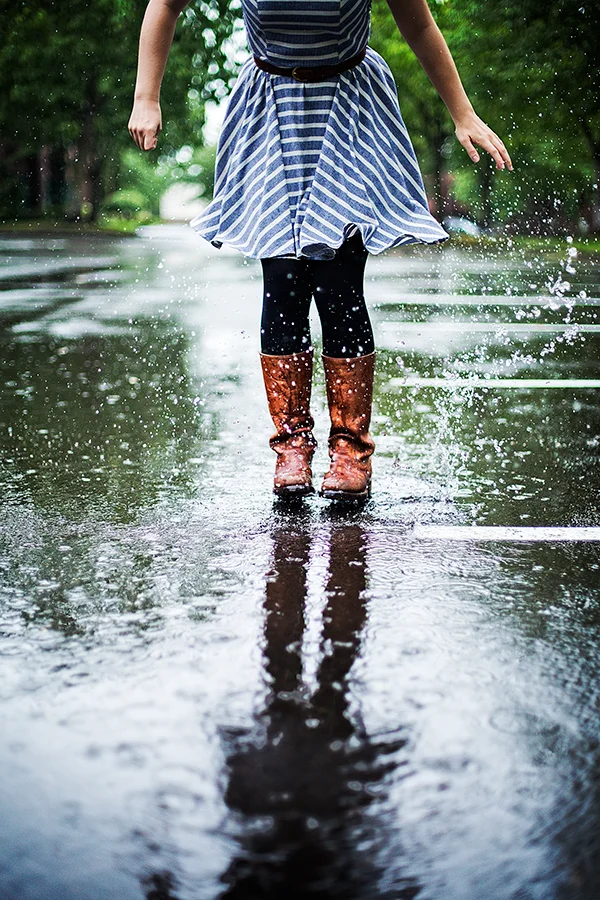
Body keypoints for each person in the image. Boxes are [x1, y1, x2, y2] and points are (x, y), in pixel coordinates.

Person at [128, 0, 512, 503]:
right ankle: (292, 447)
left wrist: (463, 113)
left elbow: (417, 22)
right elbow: (165, 5)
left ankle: (351, 449)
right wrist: (146, 96)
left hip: (351, 112)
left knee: (338, 286)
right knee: (283, 285)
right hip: (271, 112)